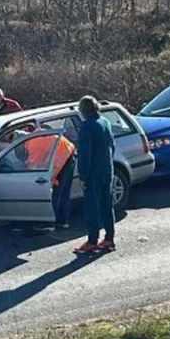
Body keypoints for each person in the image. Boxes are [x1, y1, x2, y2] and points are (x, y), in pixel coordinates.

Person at [74, 95, 116, 254]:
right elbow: (112, 145)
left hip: (93, 173)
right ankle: (109, 238)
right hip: (107, 169)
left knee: (92, 207)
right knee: (107, 205)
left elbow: (85, 153)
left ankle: (92, 240)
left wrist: (83, 175)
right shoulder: (105, 122)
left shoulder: (87, 127)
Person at [25, 125, 76, 232]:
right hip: (69, 154)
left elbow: (33, 165)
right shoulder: (36, 136)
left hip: (62, 158)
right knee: (64, 191)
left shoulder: (31, 144)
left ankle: (48, 223)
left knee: (55, 192)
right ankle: (62, 221)